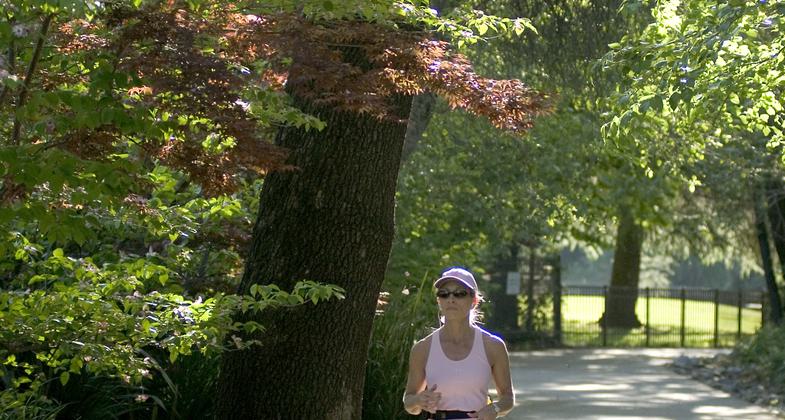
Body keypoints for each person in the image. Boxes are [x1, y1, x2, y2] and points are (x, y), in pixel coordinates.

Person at [402, 267, 515, 419]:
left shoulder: (493, 346)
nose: (451, 299)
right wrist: (418, 400)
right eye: (444, 294)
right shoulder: (423, 348)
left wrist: (494, 409)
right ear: (438, 301)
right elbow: (409, 402)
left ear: (474, 301)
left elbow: (508, 398)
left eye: (460, 293)